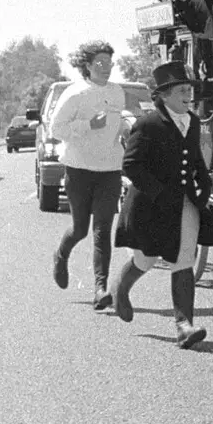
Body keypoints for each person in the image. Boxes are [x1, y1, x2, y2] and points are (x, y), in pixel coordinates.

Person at [110, 62, 213, 348]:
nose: (188, 95)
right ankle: (121, 287)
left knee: (185, 259)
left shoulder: (191, 120)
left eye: (190, 89)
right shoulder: (148, 124)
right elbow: (131, 165)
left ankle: (184, 325)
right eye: (182, 90)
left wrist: (204, 182)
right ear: (163, 95)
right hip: (150, 205)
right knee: (146, 258)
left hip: (185, 202)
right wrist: (159, 192)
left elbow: (195, 160)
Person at [49, 41, 131, 309]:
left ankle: (100, 289)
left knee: (102, 230)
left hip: (109, 169)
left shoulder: (117, 92)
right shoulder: (75, 93)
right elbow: (56, 129)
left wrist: (126, 128)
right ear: (86, 65)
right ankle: (61, 255)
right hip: (79, 169)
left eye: (109, 63)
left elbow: (119, 121)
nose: (106, 68)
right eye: (100, 63)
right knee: (80, 229)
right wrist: (88, 125)